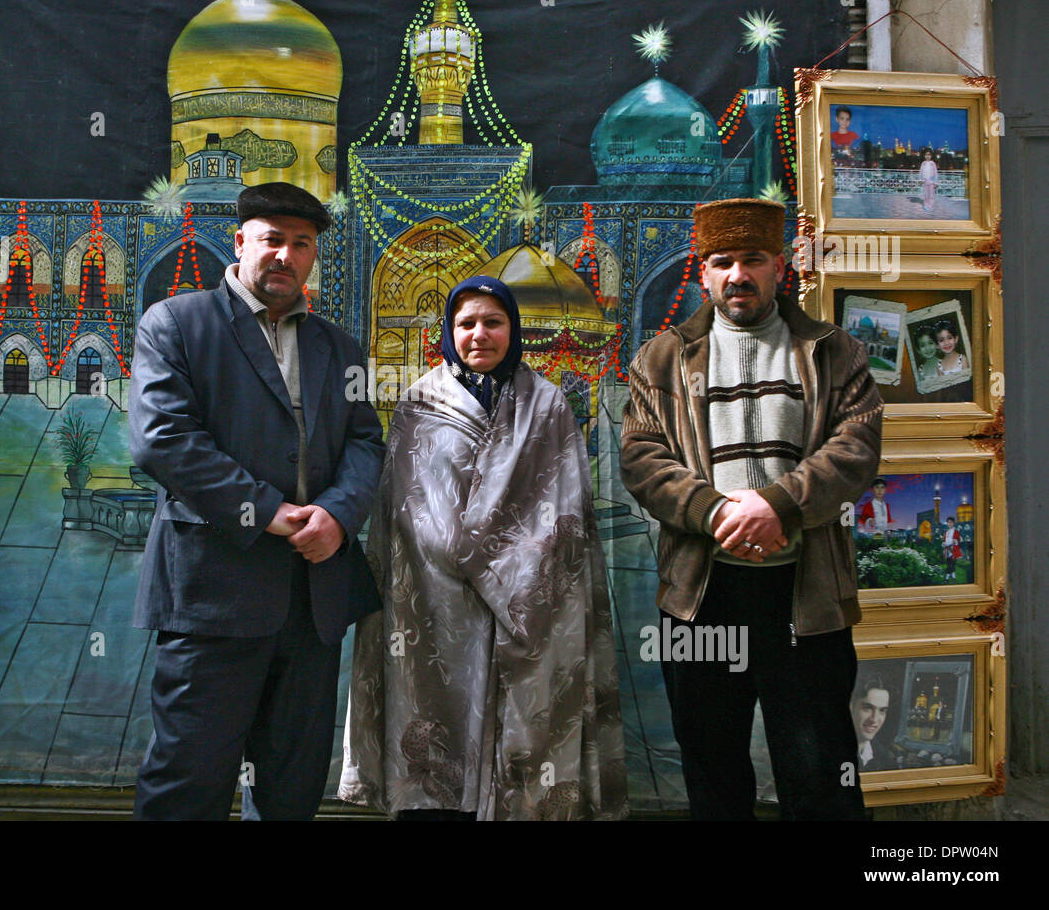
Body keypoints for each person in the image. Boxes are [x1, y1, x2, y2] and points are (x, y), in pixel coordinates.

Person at [620, 197, 883, 820]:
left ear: (779, 265)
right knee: (712, 764)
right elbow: (642, 458)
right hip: (702, 594)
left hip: (805, 593)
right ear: (703, 270)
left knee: (819, 766)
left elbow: (856, 447)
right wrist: (716, 513)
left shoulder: (833, 350)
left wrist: (776, 506)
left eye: (753, 259)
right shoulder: (661, 359)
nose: (738, 274)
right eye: (722, 261)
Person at [130, 182, 384, 821]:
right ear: (241, 243)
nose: (286, 256)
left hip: (312, 600)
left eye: (302, 245)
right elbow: (163, 441)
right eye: (273, 239)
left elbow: (364, 444)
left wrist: (338, 515)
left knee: (291, 793)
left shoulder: (338, 347)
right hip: (213, 597)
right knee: (188, 782)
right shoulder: (178, 324)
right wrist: (267, 511)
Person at [339, 276, 626, 820]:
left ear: (513, 330)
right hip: (434, 594)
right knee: (433, 720)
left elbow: (563, 506)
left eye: (493, 322)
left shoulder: (547, 405)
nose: (480, 334)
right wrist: (453, 555)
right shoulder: (419, 403)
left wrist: (512, 572)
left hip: (530, 595)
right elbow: (405, 507)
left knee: (531, 728)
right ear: (449, 332)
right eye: (466, 323)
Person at [850, 676, 897, 772]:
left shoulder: (885, 758)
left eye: (882, 710)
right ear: (850, 707)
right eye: (867, 708)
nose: (874, 719)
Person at [918, 147, 939, 214]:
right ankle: (926, 205)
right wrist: (921, 180)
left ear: (931, 155)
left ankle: (931, 205)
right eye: (926, 154)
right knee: (926, 194)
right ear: (924, 155)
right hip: (925, 181)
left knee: (931, 195)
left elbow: (935, 173)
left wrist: (935, 182)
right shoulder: (923, 163)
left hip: (932, 182)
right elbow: (921, 172)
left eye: (929, 154)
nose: (927, 156)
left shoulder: (933, 163)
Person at [942, 516, 962, 580]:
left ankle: (947, 577)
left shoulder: (956, 531)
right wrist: (944, 545)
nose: (949, 524)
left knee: (952, 563)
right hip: (947, 550)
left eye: (951, 522)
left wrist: (955, 541)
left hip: (953, 550)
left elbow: (958, 540)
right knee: (948, 563)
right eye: (948, 522)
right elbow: (944, 540)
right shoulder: (946, 532)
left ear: (953, 523)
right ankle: (953, 576)